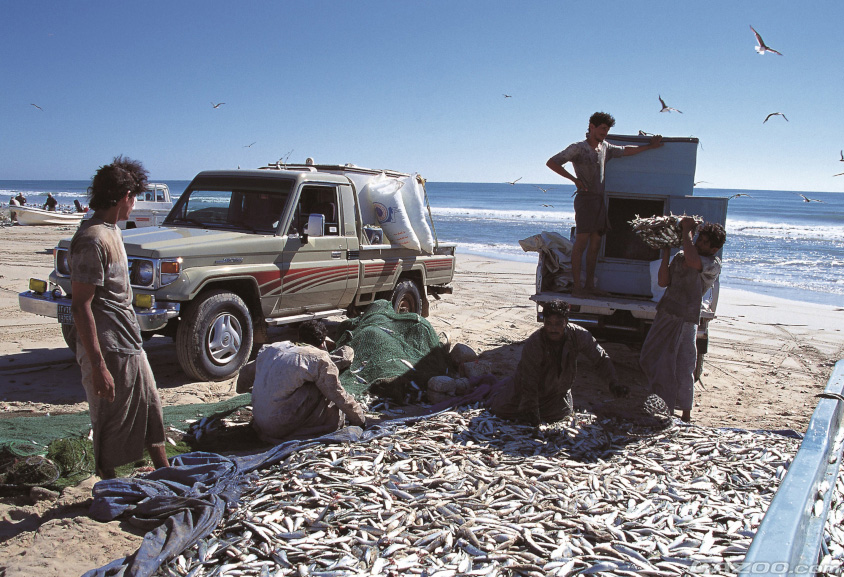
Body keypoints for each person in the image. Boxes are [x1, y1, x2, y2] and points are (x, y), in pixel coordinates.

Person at [70, 156, 168, 479]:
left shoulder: (112, 232)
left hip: (129, 341)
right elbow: (81, 305)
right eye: (134, 197)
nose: (134, 204)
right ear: (125, 196)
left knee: (150, 406)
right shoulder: (91, 239)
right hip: (107, 346)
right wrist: (98, 366)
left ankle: (166, 472)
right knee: (110, 417)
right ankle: (109, 483)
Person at [546, 112, 663, 297]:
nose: (604, 133)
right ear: (592, 127)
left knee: (595, 245)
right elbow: (552, 162)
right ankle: (577, 288)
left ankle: (589, 286)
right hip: (585, 200)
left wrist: (649, 146)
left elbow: (626, 150)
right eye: (602, 128)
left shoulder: (605, 147)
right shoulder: (578, 148)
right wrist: (574, 180)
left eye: (607, 130)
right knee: (581, 244)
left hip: (599, 200)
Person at [639, 218, 726, 423]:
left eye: (704, 242)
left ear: (714, 249)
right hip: (666, 312)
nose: (699, 243)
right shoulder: (681, 256)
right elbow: (663, 281)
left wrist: (687, 231)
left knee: (683, 364)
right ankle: (662, 404)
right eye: (699, 239)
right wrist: (666, 252)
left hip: (686, 318)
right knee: (652, 358)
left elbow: (693, 262)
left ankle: (685, 413)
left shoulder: (712, 264)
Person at [487, 300, 628, 426]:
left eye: (558, 324)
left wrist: (613, 383)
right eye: (549, 323)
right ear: (544, 322)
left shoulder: (579, 335)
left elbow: (600, 358)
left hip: (557, 394)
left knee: (560, 415)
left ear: (566, 321)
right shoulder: (534, 343)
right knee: (500, 410)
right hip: (527, 391)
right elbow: (529, 379)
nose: (553, 329)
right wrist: (531, 411)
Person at [239, 320, 367, 444]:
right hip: (280, 425)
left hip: (260, 420)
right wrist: (359, 419)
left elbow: (243, 379)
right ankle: (320, 425)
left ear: (299, 337)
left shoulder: (273, 348)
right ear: (323, 343)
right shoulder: (319, 359)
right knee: (324, 387)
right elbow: (338, 394)